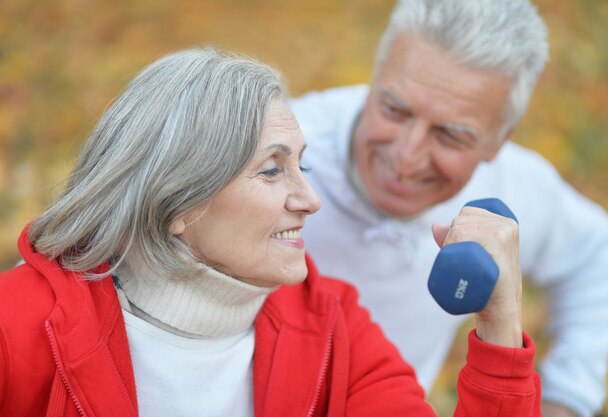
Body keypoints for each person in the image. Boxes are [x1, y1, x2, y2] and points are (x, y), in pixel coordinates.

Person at [0, 47, 541, 417]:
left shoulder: (335, 331)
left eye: (302, 166)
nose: (309, 200)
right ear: (177, 201)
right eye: (271, 169)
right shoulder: (18, 329)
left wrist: (498, 326)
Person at [290, 0, 608, 416]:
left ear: (497, 144)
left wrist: (568, 397)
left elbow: (599, 257)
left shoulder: (511, 190)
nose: (407, 156)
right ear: (373, 82)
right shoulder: (278, 154)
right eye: (394, 109)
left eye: (450, 135)